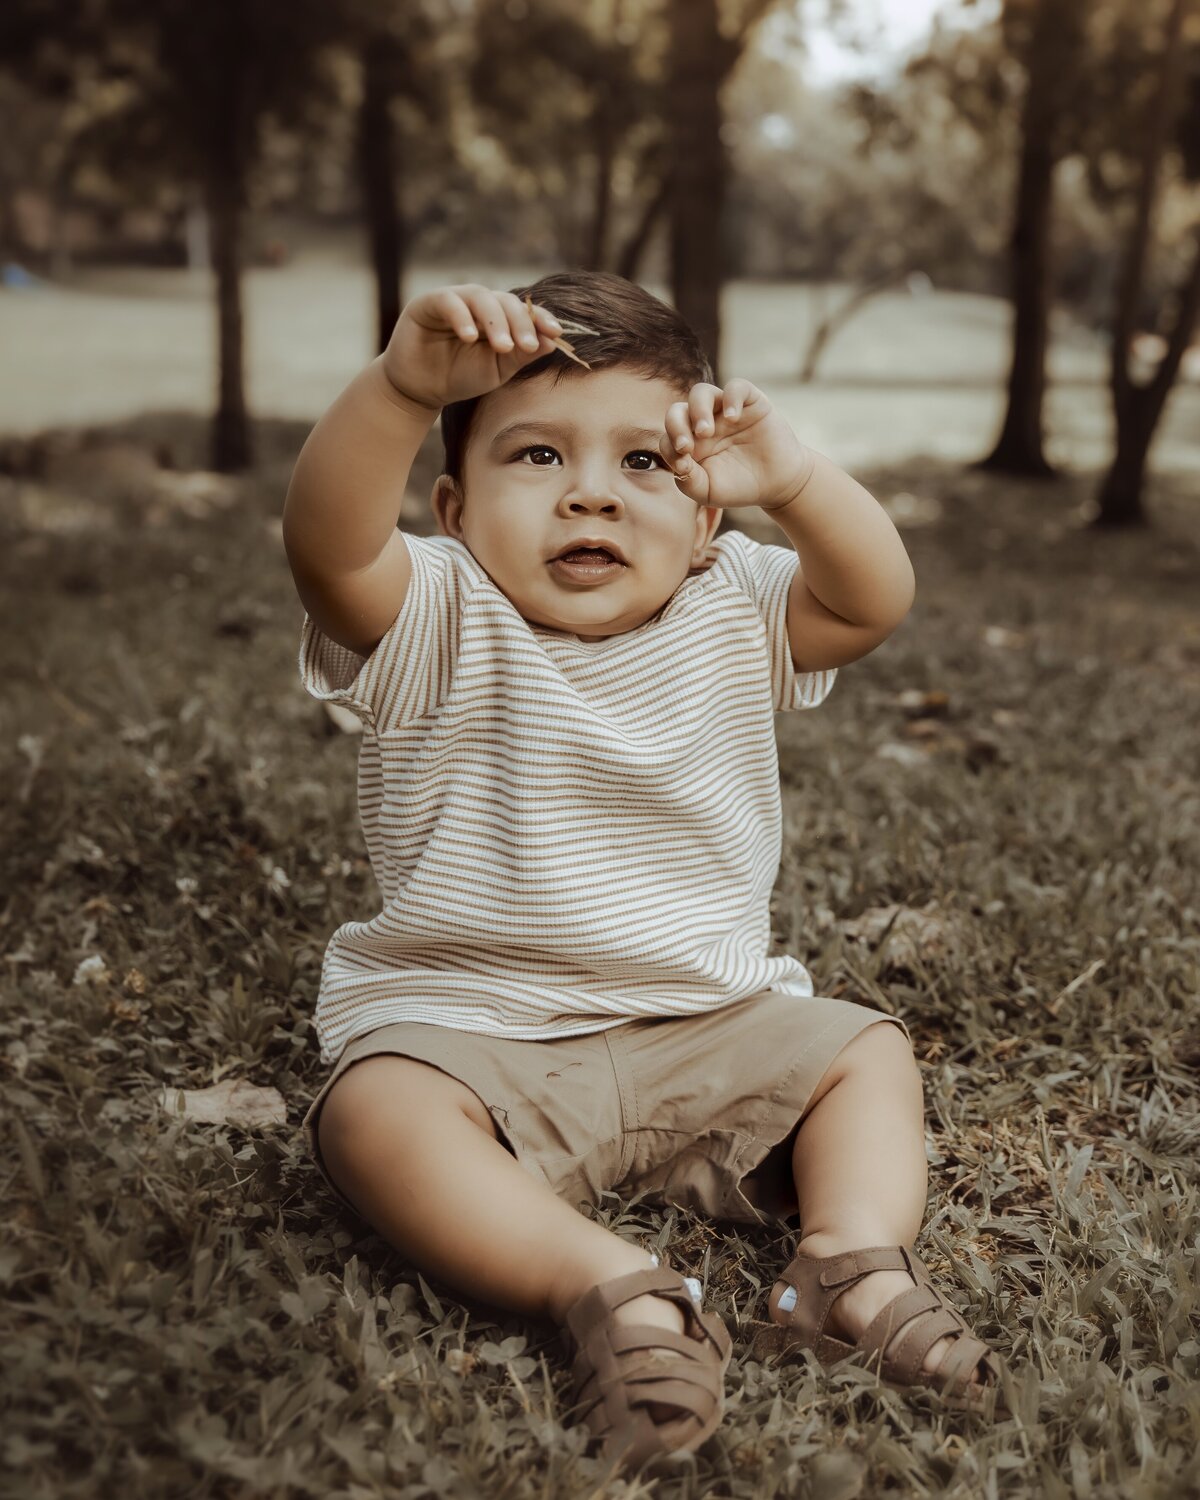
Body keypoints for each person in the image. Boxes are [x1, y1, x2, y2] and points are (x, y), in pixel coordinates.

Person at [282, 271, 1005, 1476]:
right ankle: (607, 1282)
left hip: (708, 1023)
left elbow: (875, 598)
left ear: (707, 518)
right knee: (373, 1114)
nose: (591, 493)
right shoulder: (439, 613)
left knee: (863, 1051)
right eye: (538, 456)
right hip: (479, 1035)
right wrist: (402, 389)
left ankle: (849, 1264)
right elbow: (327, 547)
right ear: (453, 508)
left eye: (645, 463)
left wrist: (797, 479)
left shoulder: (734, 605)